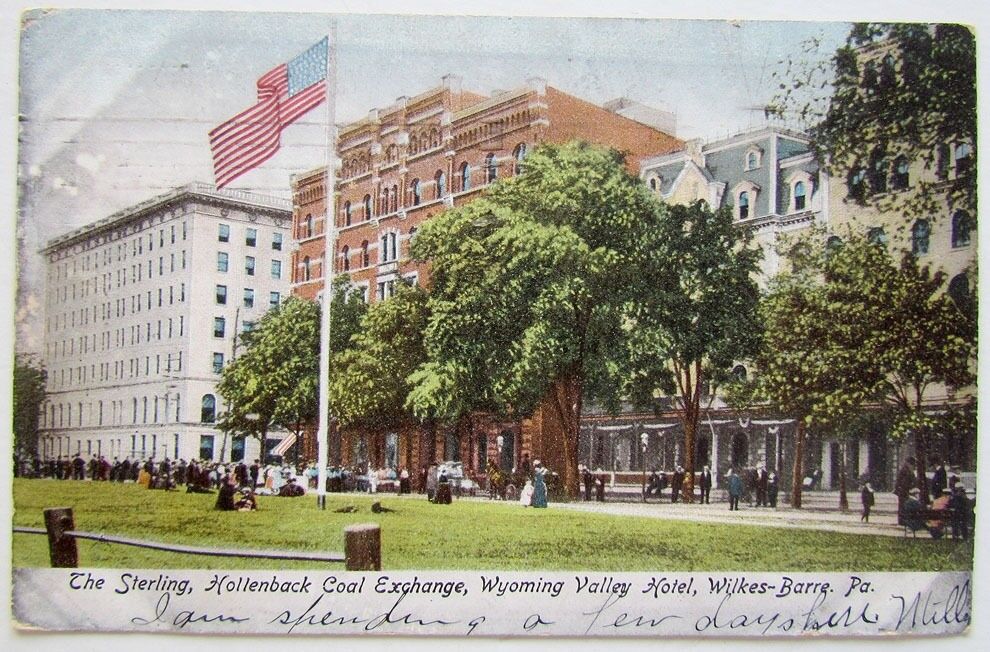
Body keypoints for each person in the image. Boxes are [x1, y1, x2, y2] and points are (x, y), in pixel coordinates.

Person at [894, 457, 916, 526]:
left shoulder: (904, 469)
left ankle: (902, 520)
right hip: (903, 491)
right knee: (903, 506)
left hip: (902, 491)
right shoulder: (906, 470)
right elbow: (905, 482)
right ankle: (902, 521)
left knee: (902, 506)